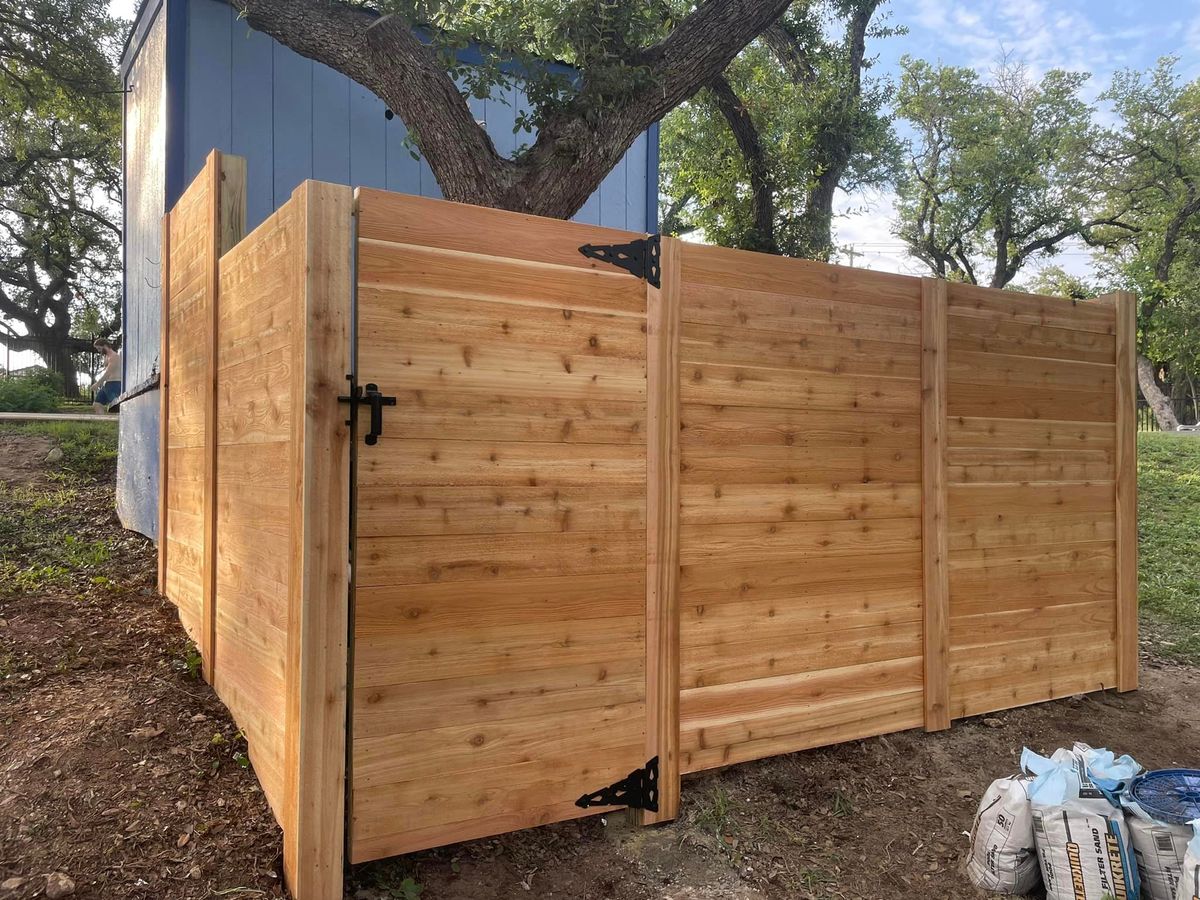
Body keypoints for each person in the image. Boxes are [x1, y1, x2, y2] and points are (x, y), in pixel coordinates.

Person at [92, 338, 122, 413]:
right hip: (107, 384)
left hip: (115, 384)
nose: (98, 351)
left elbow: (108, 373)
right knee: (97, 404)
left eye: (99, 348)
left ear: (105, 346)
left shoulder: (114, 356)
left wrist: (97, 384)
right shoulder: (106, 356)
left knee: (115, 406)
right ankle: (102, 422)